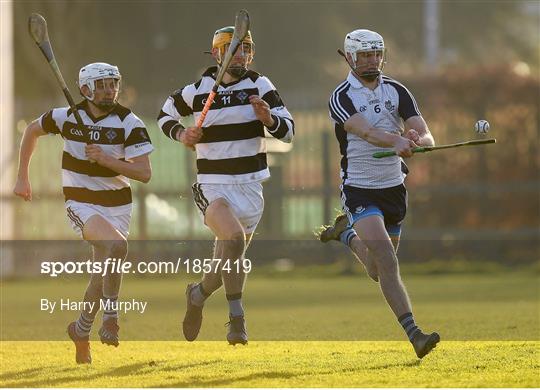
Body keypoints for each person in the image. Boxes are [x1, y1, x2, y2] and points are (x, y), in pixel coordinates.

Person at [157, 26, 294, 345]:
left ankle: (198, 294)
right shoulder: (198, 90)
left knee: (228, 259)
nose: (242, 55)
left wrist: (268, 119)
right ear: (217, 54)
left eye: (247, 49)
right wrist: (182, 134)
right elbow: (165, 116)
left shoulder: (260, 85)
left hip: (249, 186)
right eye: (235, 49)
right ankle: (237, 319)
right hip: (212, 185)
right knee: (232, 239)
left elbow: (288, 131)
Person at [13, 62, 154, 364]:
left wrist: (106, 160)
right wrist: (23, 176)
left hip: (118, 206)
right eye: (101, 85)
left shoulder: (130, 123)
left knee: (100, 275)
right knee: (117, 246)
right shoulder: (64, 118)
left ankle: (80, 330)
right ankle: (111, 316)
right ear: (86, 88)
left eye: (113, 83)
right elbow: (31, 133)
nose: (109, 90)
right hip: (81, 203)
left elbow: (143, 173)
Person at [319, 29, 440, 358]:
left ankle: (345, 236)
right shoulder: (342, 96)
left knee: (377, 269)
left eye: (377, 54)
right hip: (359, 188)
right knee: (388, 259)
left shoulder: (397, 90)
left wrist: (418, 141)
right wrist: (397, 141)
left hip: (393, 189)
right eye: (365, 55)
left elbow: (424, 131)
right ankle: (414, 334)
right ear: (350, 57)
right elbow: (368, 132)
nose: (373, 60)